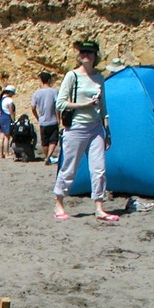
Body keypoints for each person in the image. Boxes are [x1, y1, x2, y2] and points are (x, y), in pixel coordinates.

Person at [53, 39, 115, 223]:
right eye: (82, 52)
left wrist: (107, 129)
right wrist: (84, 105)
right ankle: (59, 203)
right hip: (76, 127)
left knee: (99, 169)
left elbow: (103, 106)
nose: (85, 55)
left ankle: (99, 207)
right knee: (69, 168)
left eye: (89, 52)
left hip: (96, 127)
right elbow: (60, 103)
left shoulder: (99, 78)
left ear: (96, 56)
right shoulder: (72, 76)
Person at [30, 72, 60, 165]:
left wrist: (37, 117)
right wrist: (59, 118)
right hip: (53, 120)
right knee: (53, 140)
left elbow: (33, 107)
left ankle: (47, 156)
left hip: (43, 121)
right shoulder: (54, 91)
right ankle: (48, 157)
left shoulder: (37, 93)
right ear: (49, 80)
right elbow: (57, 106)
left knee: (45, 141)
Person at [0, 86, 16, 159]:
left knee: (1, 137)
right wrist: (14, 120)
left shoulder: (2, 99)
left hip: (1, 118)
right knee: (7, 137)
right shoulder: (9, 100)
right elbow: (11, 111)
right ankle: (7, 154)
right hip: (6, 118)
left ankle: (1, 154)